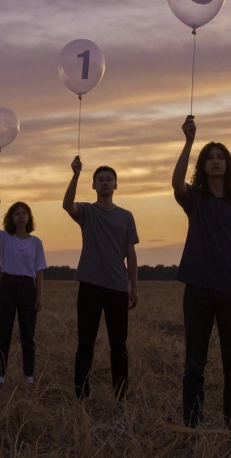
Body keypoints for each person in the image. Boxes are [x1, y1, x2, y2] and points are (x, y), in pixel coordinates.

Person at [171, 115, 231, 430]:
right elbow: (176, 183)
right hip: (197, 288)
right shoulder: (196, 199)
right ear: (203, 165)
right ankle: (191, 426)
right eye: (210, 158)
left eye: (221, 158)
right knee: (195, 363)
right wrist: (189, 142)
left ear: (228, 165)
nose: (216, 162)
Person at [62, 156, 139, 400]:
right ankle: (81, 396)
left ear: (116, 185)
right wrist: (75, 174)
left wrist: (133, 286)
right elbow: (67, 205)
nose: (105, 183)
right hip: (90, 285)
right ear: (93, 186)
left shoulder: (126, 216)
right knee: (85, 343)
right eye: (100, 180)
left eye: (109, 180)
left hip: (117, 287)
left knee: (119, 345)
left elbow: (131, 253)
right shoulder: (86, 211)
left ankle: (120, 395)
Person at [0, 196, 47, 387]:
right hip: (7, 286)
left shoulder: (36, 242)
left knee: (28, 334)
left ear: (29, 217)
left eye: (23, 213)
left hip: (28, 287)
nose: (20, 216)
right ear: (11, 218)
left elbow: (39, 271)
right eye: (16, 214)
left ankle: (29, 376)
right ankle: (0, 377)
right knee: (4, 332)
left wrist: (39, 296)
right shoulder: (4, 238)